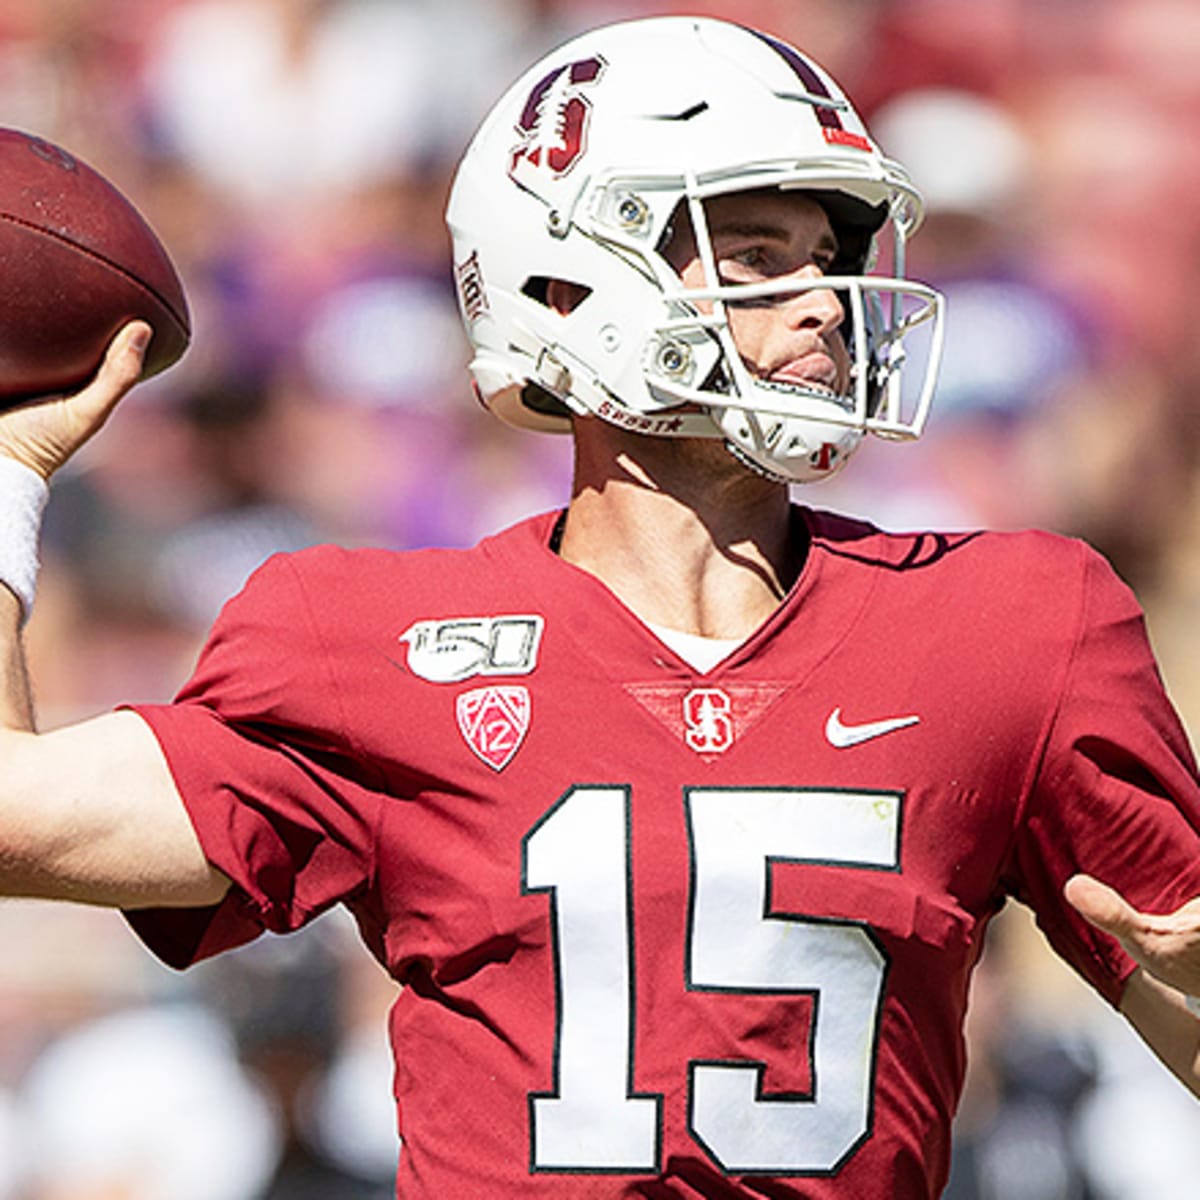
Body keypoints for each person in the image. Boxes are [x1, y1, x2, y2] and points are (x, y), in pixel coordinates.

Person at [0, 15, 1198, 1199]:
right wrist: (6, 479)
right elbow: (19, 818)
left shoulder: (1014, 621)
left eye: (827, 256)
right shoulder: (363, 641)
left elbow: (1179, 992)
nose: (827, 304)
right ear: (568, 279)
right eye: (759, 257)